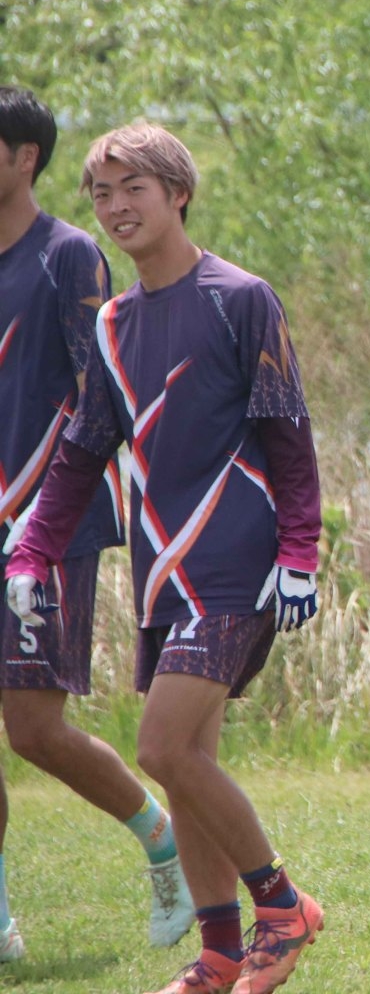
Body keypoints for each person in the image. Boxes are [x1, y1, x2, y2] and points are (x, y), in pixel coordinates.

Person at [4, 123, 325, 994]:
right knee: (190, 767)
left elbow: (288, 434)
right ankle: (220, 952)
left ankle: (283, 908)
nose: (115, 208)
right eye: (101, 194)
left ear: (178, 193)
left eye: (133, 189)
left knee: (163, 745)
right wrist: (32, 551)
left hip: (237, 563)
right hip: (161, 574)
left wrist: (301, 551)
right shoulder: (111, 324)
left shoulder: (241, 298)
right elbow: (81, 453)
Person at [0, 88, 195, 961]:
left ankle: (163, 841)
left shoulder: (69, 256)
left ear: (24, 158)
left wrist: (41, 520)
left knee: (33, 730)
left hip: (45, 530)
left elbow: (100, 398)